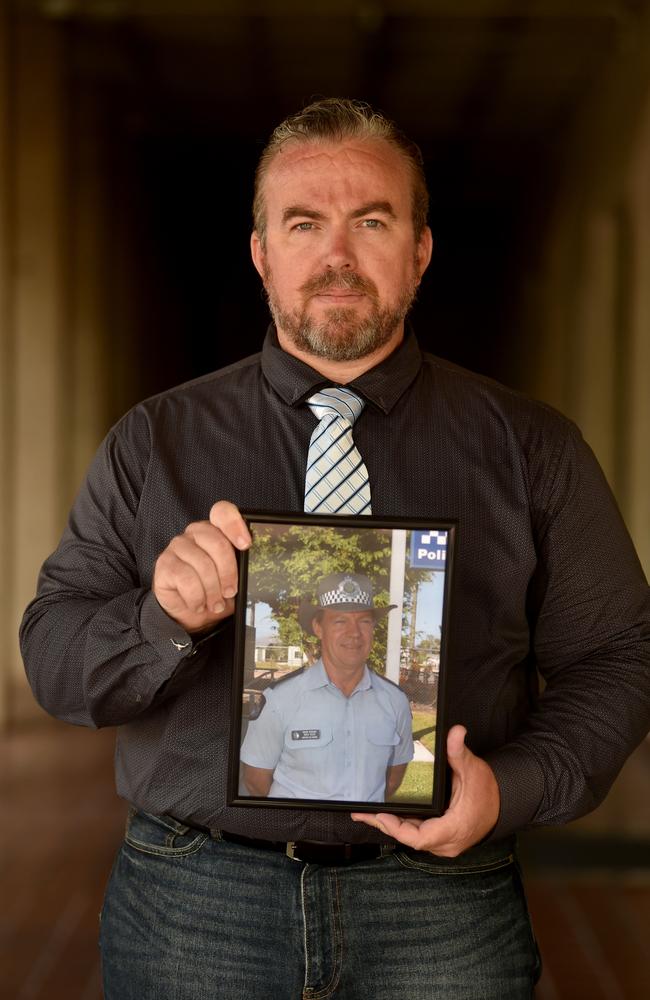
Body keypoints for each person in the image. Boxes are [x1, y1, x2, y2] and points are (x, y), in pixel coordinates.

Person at [19, 98, 650, 999]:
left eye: (373, 222)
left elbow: (621, 656)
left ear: (421, 251)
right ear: (261, 253)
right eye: (304, 224)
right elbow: (53, 656)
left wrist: (510, 790)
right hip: (195, 903)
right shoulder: (152, 442)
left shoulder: (531, 448)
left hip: (444, 907)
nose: (338, 257)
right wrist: (160, 620)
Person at [240, 572, 414, 801]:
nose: (354, 633)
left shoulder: (395, 701)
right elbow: (256, 780)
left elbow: (392, 779)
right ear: (318, 627)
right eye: (341, 621)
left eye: (364, 621)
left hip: (363, 834)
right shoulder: (280, 699)